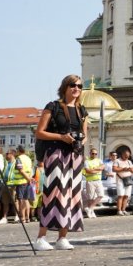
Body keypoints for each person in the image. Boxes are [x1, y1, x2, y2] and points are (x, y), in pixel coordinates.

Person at [34, 74, 89, 251]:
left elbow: (86, 135)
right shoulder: (54, 107)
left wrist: (79, 141)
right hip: (56, 152)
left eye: (80, 86)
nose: (77, 89)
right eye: (73, 85)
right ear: (65, 87)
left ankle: (62, 238)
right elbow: (40, 132)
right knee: (54, 194)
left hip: (75, 155)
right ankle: (41, 237)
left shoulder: (82, 110)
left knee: (72, 196)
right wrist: (61, 137)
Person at [4, 147, 33, 223]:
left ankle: (22, 218)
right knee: (26, 200)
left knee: (21, 200)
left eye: (17, 151)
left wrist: (28, 179)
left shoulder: (19, 159)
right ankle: (27, 218)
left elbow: (21, 170)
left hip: (21, 182)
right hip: (27, 182)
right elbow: (30, 170)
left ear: (19, 151)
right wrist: (29, 179)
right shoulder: (28, 158)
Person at [113, 149, 133, 215]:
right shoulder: (117, 161)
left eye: (128, 156)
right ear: (122, 154)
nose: (127, 157)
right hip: (120, 180)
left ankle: (124, 209)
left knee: (126, 195)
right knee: (121, 195)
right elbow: (114, 169)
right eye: (125, 155)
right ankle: (119, 210)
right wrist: (124, 169)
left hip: (128, 180)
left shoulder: (129, 162)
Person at [82, 148, 104, 218]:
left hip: (98, 180)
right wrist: (97, 169)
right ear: (90, 153)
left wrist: (94, 169)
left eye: (95, 154)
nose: (94, 155)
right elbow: (88, 171)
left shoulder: (99, 160)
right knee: (91, 198)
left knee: (100, 195)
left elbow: (103, 167)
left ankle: (90, 209)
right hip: (90, 181)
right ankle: (91, 212)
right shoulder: (87, 161)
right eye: (93, 153)